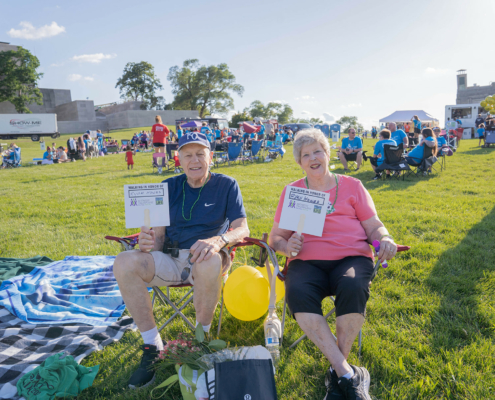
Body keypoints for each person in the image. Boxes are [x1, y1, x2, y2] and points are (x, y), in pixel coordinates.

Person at [113, 132, 249, 389]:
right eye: (188, 155)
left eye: (200, 154)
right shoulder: (167, 186)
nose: (194, 160)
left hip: (207, 257)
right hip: (171, 257)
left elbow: (243, 228)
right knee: (123, 261)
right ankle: (152, 346)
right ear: (179, 159)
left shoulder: (227, 184)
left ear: (211, 157)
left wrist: (218, 241)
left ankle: (202, 342)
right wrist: (147, 243)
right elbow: (159, 237)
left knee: (208, 261)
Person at [268, 129, 397, 400]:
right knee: (299, 292)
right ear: (299, 162)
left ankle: (338, 373)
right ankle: (347, 375)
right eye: (306, 155)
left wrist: (384, 238)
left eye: (318, 151)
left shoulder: (352, 186)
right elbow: (276, 238)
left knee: (352, 285)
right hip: (306, 261)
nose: (313, 158)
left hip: (351, 257)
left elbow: (373, 227)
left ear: (328, 155)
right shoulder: (293, 191)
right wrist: (286, 246)